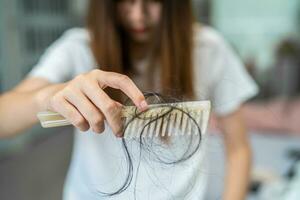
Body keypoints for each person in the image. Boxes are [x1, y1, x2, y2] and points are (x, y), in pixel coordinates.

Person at [0, 0, 258, 199]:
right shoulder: (77, 47)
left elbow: (238, 149)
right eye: (126, 1)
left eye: (153, 1)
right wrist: (46, 97)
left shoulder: (209, 48)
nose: (138, 15)